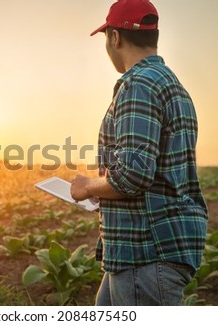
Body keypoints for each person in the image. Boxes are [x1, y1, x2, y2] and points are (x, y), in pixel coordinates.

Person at [70, 0, 208, 305]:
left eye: (107, 38)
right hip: (144, 249)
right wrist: (103, 193)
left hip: (146, 251)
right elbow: (154, 171)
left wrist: (87, 187)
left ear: (115, 38)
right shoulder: (172, 85)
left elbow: (133, 175)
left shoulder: (139, 85)